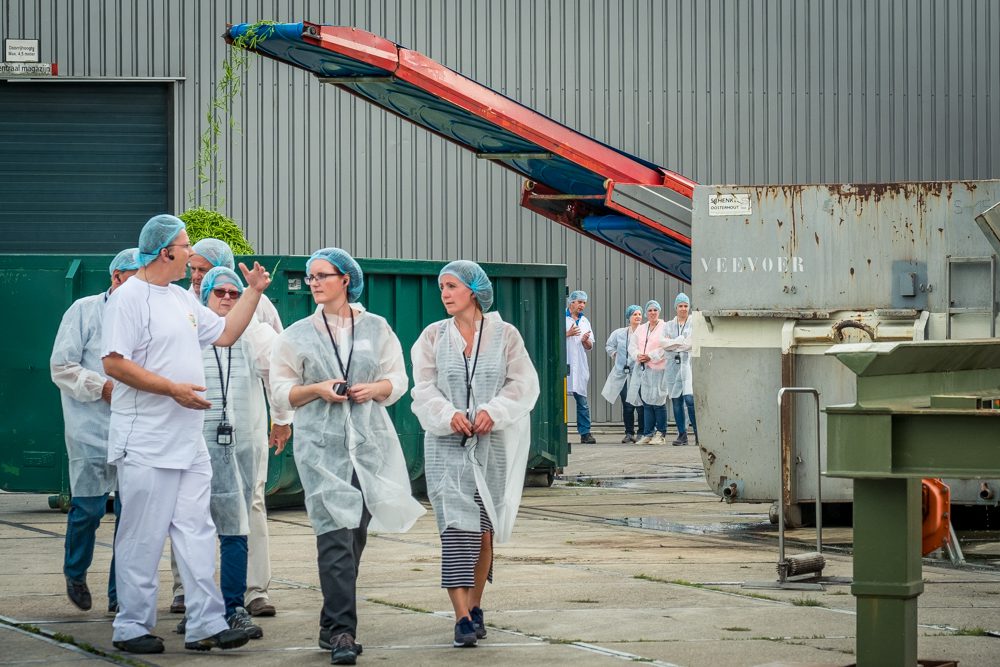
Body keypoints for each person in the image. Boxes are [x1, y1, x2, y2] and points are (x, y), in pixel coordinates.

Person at [101, 214, 270, 654]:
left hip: (187, 438)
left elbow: (228, 334)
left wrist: (252, 293)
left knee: (196, 529)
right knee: (142, 534)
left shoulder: (181, 299)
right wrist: (172, 389)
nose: (192, 252)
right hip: (146, 440)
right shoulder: (129, 299)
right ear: (166, 252)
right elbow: (114, 363)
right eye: (185, 244)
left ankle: (205, 624)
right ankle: (132, 626)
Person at [269, 247, 424, 666]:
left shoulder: (376, 327)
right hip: (321, 448)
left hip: (368, 444)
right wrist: (316, 390)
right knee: (334, 533)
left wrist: (377, 390)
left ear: (346, 280)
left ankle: (329, 621)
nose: (314, 283)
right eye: (311, 277)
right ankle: (342, 632)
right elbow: (281, 390)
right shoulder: (296, 334)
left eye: (322, 276)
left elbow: (398, 378)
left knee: (355, 535)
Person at [411, 260, 540, 648]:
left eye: (451, 286)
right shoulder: (433, 336)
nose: (445, 294)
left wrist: (493, 412)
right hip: (445, 443)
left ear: (473, 290)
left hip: (492, 445)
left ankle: (477, 604)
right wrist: (449, 415)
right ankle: (461, 617)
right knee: (455, 530)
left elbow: (523, 384)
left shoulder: (505, 335)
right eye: (441, 288)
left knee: (484, 533)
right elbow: (423, 388)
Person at [174, 267, 293, 640]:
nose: (226, 298)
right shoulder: (186, 330)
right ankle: (198, 607)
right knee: (193, 527)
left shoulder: (255, 333)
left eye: (232, 293)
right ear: (204, 295)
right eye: (219, 293)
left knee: (238, 525)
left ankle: (234, 607)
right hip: (194, 442)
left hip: (243, 442)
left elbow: (280, 371)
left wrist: (283, 418)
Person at [50, 247, 140, 615]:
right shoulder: (85, 311)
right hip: (90, 427)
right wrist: (102, 387)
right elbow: (62, 366)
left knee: (130, 515)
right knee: (88, 509)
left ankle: (121, 595)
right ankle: (75, 572)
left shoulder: (146, 314)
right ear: (116, 277)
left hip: (135, 427)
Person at [628, 300, 670, 445]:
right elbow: (632, 346)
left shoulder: (665, 327)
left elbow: (666, 347)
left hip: (659, 368)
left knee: (659, 401)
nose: (652, 313)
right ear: (646, 313)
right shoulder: (641, 329)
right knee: (646, 401)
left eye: (655, 310)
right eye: (650, 310)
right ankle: (648, 433)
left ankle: (661, 433)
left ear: (659, 312)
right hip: (644, 368)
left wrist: (651, 356)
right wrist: (638, 355)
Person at [601, 305, 644, 443]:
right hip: (623, 374)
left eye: (639, 314)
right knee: (628, 404)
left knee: (641, 404)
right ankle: (629, 433)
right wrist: (614, 353)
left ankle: (642, 432)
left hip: (639, 373)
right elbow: (609, 345)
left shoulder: (644, 332)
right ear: (628, 317)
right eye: (634, 314)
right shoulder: (619, 333)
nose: (637, 317)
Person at [664, 293, 697, 446]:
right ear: (675, 308)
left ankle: (698, 434)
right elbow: (663, 343)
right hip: (673, 367)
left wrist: (674, 344)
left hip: (688, 365)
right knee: (676, 400)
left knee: (690, 400)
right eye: (680, 306)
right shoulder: (668, 325)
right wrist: (678, 343)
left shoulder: (694, 323)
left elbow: (691, 343)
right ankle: (682, 435)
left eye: (686, 306)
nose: (683, 308)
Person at [565, 290, 595, 444]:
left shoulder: (585, 322)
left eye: (584, 302)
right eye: (580, 302)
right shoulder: (561, 318)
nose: (582, 305)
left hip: (580, 365)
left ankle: (585, 433)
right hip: (565, 363)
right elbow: (551, 337)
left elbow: (590, 346)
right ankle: (559, 432)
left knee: (582, 401)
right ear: (572, 302)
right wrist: (568, 333)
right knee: (560, 401)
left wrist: (585, 340)